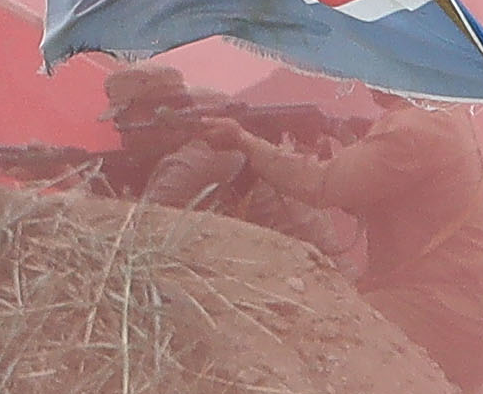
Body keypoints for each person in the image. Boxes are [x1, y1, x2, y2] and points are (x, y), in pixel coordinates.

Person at [200, 90, 483, 394]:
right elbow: (365, 192)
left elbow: (322, 185)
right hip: (452, 309)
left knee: (313, 333)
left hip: (435, 310)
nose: (368, 81)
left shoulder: (414, 128)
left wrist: (246, 143)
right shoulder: (443, 117)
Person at [99, 65, 340, 255]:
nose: (122, 135)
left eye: (124, 121)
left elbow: (135, 236)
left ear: (159, 115)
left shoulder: (198, 159)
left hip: (316, 279)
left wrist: (79, 188)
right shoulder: (201, 128)